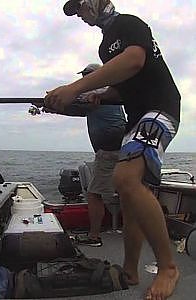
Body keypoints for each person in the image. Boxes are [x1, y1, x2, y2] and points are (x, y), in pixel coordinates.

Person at [44, 1, 181, 299]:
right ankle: (130, 271)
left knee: (126, 178)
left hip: (161, 109)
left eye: (79, 8)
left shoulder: (128, 24)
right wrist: (99, 95)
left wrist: (76, 87)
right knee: (129, 197)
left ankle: (168, 267)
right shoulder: (106, 46)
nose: (79, 15)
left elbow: (134, 61)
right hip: (136, 119)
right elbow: (126, 88)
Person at [45, 63, 126, 246]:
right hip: (123, 146)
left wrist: (52, 102)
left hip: (109, 149)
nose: (84, 79)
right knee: (126, 191)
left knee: (94, 193)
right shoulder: (104, 95)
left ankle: (94, 237)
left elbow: (73, 101)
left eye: (86, 75)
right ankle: (134, 230)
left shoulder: (98, 89)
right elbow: (79, 110)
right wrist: (55, 109)